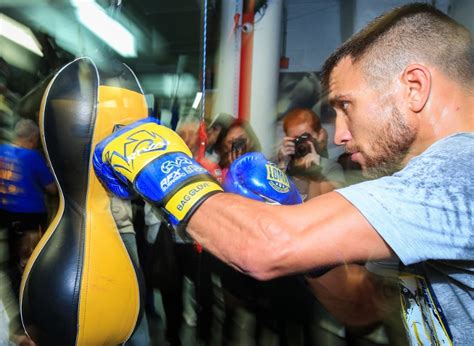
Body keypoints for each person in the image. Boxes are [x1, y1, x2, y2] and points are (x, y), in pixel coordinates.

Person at [94, 3, 473, 345]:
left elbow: (266, 247)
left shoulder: (459, 171)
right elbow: (362, 306)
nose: (339, 133)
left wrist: (155, 161)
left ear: (414, 87)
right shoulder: (426, 195)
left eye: (346, 105)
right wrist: (311, 247)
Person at [277, 108, 345, 200]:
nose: (301, 143)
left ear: (319, 135)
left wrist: (314, 172)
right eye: (295, 139)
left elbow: (322, 207)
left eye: (305, 137)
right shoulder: (282, 166)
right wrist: (282, 165)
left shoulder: (330, 168)